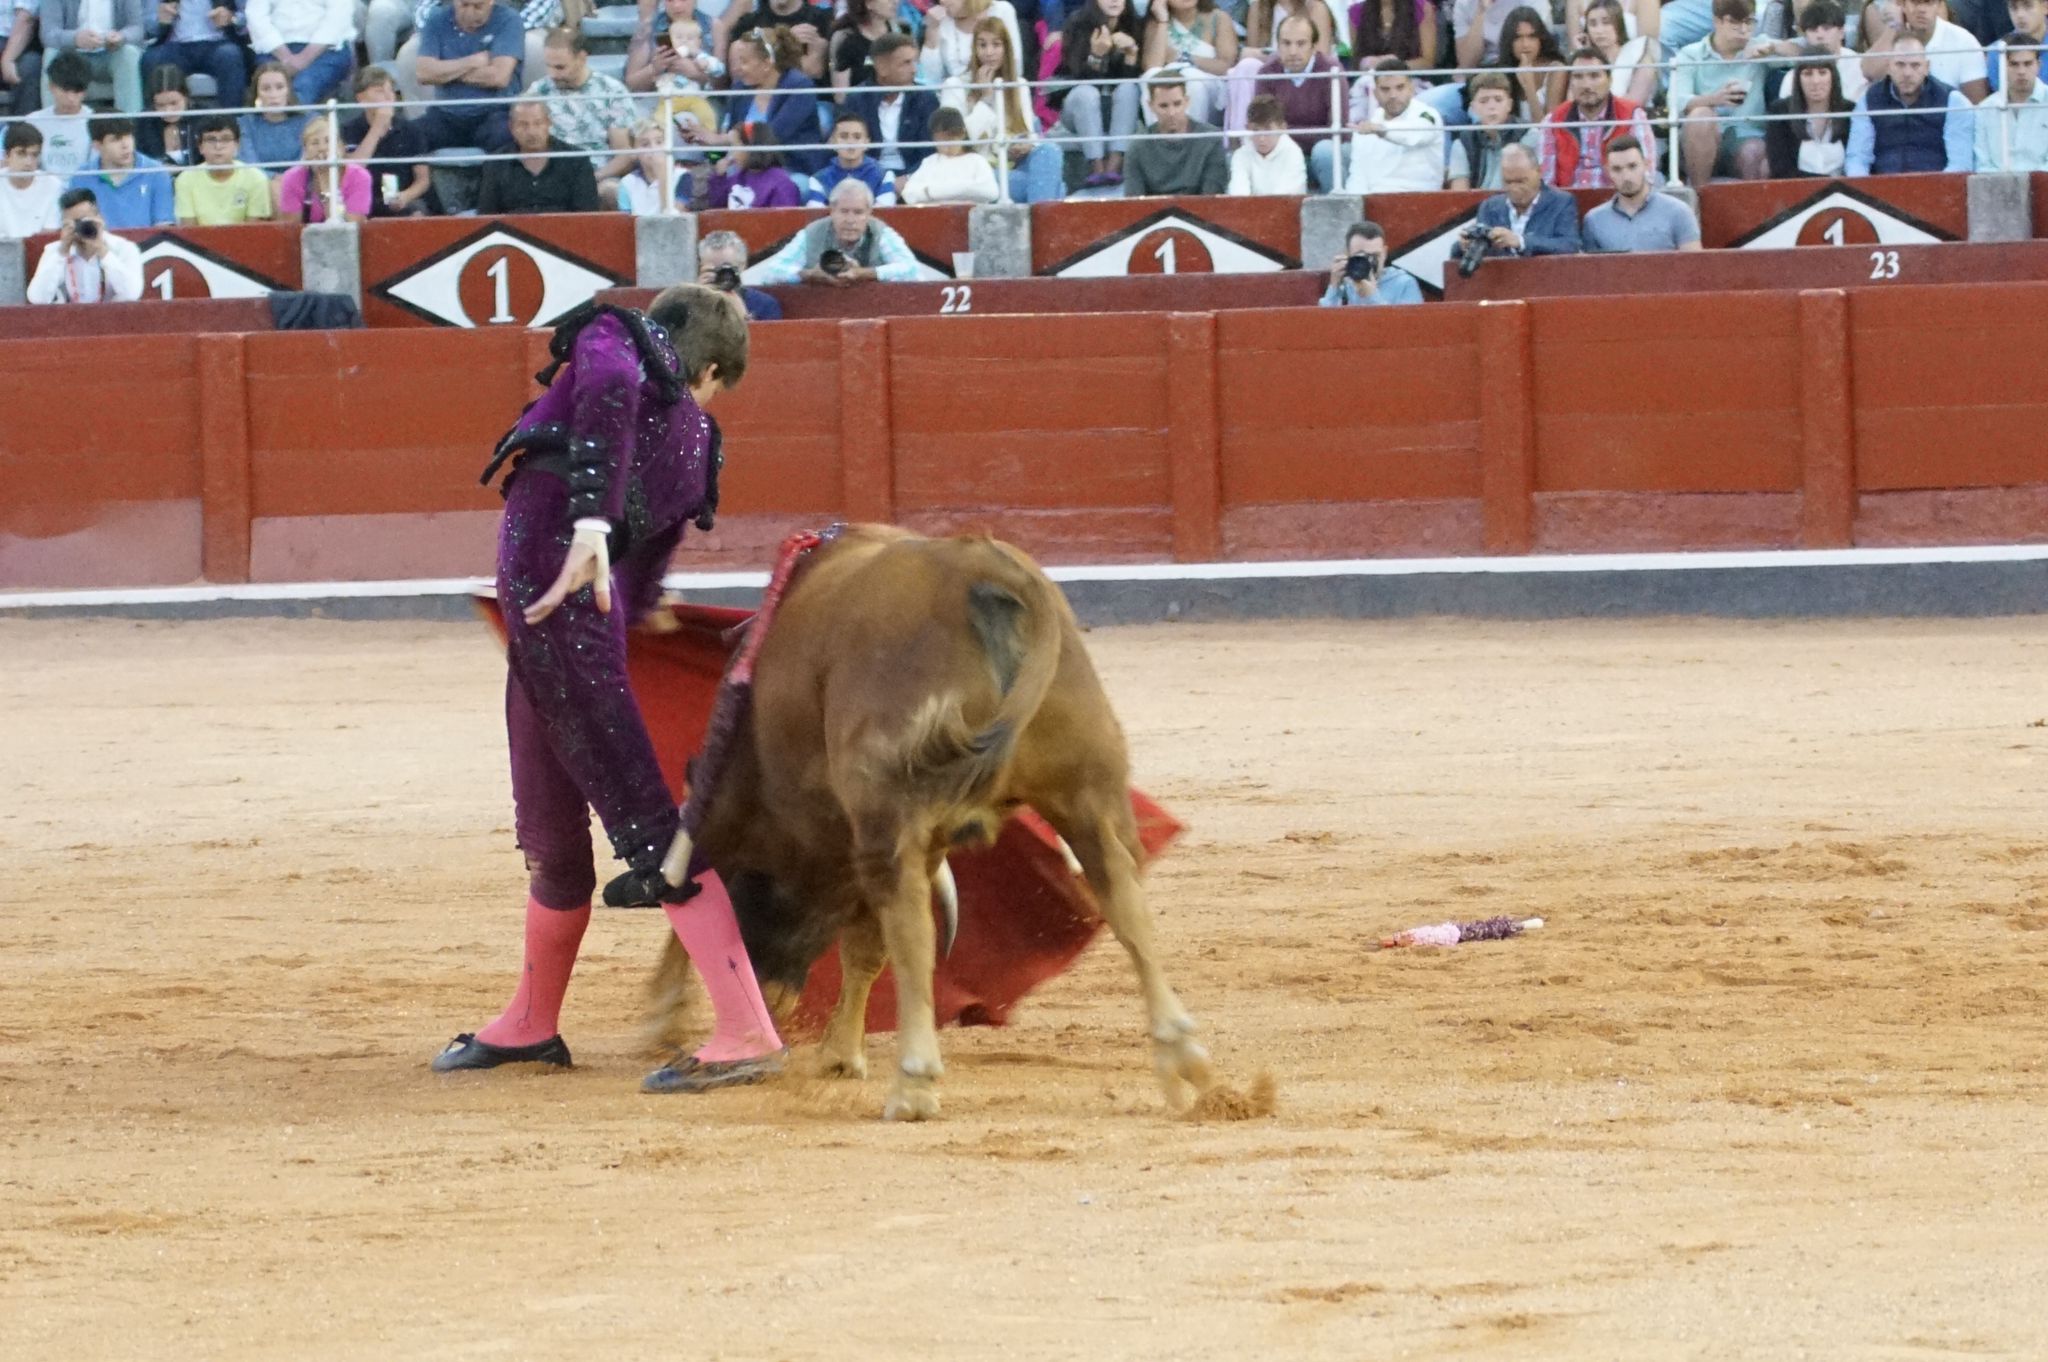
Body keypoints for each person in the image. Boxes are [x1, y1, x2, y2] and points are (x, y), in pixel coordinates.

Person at [440, 283, 790, 1096]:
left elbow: (609, 390)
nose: (697, 408)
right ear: (705, 365)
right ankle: (532, 1021)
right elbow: (643, 580)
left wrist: (590, 523)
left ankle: (745, 1028)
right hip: (548, 634)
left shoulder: (614, 338)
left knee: (644, 820)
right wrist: (620, 584)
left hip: (560, 624)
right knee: (551, 832)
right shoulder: (689, 420)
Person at [944, 15, 1063, 201]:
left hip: (1015, 163)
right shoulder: (956, 86)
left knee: (1049, 150)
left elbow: (1029, 133)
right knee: (1056, 187)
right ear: (974, 49)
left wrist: (1025, 145)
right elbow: (958, 141)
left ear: (1006, 48)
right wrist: (986, 99)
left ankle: (1042, 218)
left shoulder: (1019, 85)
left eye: (996, 45)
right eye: (982, 45)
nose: (989, 52)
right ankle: (1045, 223)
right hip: (977, 169)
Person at [686, 26, 826, 176]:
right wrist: (705, 141)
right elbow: (730, 143)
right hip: (746, 171)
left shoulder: (799, 86)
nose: (738, 68)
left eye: (744, 61)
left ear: (766, 64)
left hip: (791, 169)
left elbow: (774, 136)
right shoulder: (739, 88)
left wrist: (720, 139)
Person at [525, 26, 640, 204]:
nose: (552, 74)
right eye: (548, 66)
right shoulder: (538, 92)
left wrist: (592, 177)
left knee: (611, 192)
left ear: (581, 58)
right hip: (550, 175)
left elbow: (624, 155)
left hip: (598, 175)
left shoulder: (611, 91)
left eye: (560, 67)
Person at [1670, 0, 1772, 187]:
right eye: (1734, 22)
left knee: (1755, 151)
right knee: (1701, 115)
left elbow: (1805, 50)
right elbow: (1675, 101)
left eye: (1749, 22)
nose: (1743, 30)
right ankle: (1699, 199)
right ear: (1717, 21)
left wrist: (1774, 48)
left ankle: (1751, 213)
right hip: (1701, 137)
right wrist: (1714, 99)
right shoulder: (1691, 54)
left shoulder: (1760, 47)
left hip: (1744, 135)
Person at [752, 177, 920, 285]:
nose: (850, 220)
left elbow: (913, 270)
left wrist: (864, 273)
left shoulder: (880, 232)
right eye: (844, 211)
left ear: (869, 213)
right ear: (832, 210)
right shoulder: (813, 232)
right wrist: (811, 275)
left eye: (858, 212)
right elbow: (771, 272)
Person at [1847, 36, 1973, 172]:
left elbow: (1960, 164)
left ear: (1927, 67)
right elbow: (1857, 159)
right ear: (1888, 66)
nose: (1907, 73)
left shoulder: (1952, 101)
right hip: (1880, 187)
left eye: (1915, 65)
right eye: (1900, 65)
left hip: (1938, 186)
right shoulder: (1869, 100)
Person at [1249, 14, 1344, 191]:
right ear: (1277, 45)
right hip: (1281, 154)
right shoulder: (1267, 73)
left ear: (1314, 46)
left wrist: (1286, 134)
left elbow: (1339, 131)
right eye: (1286, 43)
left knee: (1325, 151)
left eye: (1300, 44)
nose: (1293, 51)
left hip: (1318, 154)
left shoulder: (1332, 72)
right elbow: (1262, 126)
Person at [412, 0, 523, 152]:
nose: (470, 13)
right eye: (464, 5)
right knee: (408, 135)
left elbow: (499, 77)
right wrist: (472, 62)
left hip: (494, 113)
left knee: (507, 134)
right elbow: (423, 73)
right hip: (446, 114)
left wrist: (445, 71)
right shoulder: (436, 18)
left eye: (478, 6)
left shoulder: (509, 19)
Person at [1540, 47, 1655, 188]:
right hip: (1568, 204)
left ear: (1610, 80)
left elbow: (1647, 173)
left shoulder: (1632, 115)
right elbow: (1546, 182)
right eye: (1578, 77)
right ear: (1570, 83)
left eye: (1594, 76)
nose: (1586, 85)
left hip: (1620, 201)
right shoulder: (1553, 120)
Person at [1056, 0, 1143, 187]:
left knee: (1129, 88)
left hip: (1115, 109)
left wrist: (1131, 56)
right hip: (1077, 107)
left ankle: (1114, 164)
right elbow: (1077, 78)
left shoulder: (1133, 24)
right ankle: (1096, 166)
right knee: (1086, 93)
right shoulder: (1077, 23)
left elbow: (1128, 82)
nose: (1114, 1)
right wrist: (1096, 56)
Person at [845, 32, 937, 199]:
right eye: (906, 63)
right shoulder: (856, 100)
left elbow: (930, 152)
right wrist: (882, 180)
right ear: (882, 67)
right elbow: (849, 149)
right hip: (869, 177)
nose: (914, 70)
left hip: (914, 177)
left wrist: (909, 177)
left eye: (914, 62)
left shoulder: (925, 98)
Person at [341, 64, 434, 216]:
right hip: (361, 200)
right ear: (361, 98)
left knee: (417, 213)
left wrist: (405, 196)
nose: (388, 96)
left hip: (401, 198)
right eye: (379, 91)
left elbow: (423, 180)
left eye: (391, 90)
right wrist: (377, 129)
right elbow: (352, 170)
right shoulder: (347, 130)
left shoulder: (411, 130)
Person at [477, 98, 602, 212]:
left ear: (549, 123)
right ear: (511, 127)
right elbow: (487, 216)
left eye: (538, 123)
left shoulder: (576, 160)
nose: (532, 132)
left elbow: (587, 214)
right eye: (523, 125)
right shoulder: (495, 163)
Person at [1580, 135, 1701, 251]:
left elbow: (1693, 265)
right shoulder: (1594, 220)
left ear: (1646, 165)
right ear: (1607, 172)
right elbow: (1592, 269)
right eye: (1617, 169)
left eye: (1632, 166)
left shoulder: (1678, 212)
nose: (1626, 176)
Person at [27, 186, 144, 301]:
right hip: (68, 318)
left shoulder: (124, 249)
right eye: (74, 223)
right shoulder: (55, 251)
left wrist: (102, 250)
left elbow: (132, 294)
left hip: (113, 318)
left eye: (84, 220)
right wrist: (62, 252)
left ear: (100, 218)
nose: (80, 227)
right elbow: (37, 298)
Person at [1858, 0, 1988, 103]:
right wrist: (1893, 27)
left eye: (1928, 2)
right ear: (1902, 4)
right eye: (1915, 2)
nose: (1921, 9)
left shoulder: (1964, 41)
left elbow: (1976, 104)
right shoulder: (1894, 34)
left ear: (1938, 5)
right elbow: (1870, 72)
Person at [1343, 61, 1443, 192]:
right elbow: (1358, 178)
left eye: (1400, 87)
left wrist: (1382, 131)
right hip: (1375, 203)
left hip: (1421, 198)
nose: (1393, 95)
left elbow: (1415, 135)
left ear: (1411, 89)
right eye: (1385, 89)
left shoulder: (1427, 115)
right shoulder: (1368, 127)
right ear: (1375, 93)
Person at [1122, 76, 1227, 195]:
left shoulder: (1210, 139)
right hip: (1154, 212)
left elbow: (1213, 197)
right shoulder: (1138, 145)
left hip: (1200, 211)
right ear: (1150, 106)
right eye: (1163, 106)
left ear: (1187, 101)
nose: (1171, 113)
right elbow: (1134, 201)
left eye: (1177, 104)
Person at [1471, 141, 1581, 256]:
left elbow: (1569, 245)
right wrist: (1465, 245)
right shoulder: (1489, 207)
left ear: (1539, 172)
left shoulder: (1561, 202)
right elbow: (1460, 253)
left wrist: (1521, 242)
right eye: (1508, 182)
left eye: (1521, 181)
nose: (1514, 188)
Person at [1140, 0, 1236, 124]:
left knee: (1190, 78)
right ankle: (1159, 137)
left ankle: (1192, 139)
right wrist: (1162, 20)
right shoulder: (1157, 22)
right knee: (1151, 77)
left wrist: (1183, 57)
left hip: (1209, 87)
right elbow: (1151, 67)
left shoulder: (1219, 18)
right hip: (1170, 87)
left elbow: (1226, 66)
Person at [40, 0, 146, 112]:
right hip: (73, 54)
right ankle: (50, 123)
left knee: (128, 53)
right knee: (51, 53)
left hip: (111, 53)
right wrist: (75, 38)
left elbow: (137, 28)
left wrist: (121, 37)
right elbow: (48, 33)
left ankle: (129, 123)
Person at [69, 114, 174, 226]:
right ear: (97, 145)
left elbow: (163, 224)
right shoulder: (81, 177)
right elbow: (75, 225)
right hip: (98, 243)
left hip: (148, 243)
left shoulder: (156, 172)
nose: (126, 145)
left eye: (128, 136)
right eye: (115, 139)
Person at [1765, 44, 1854, 175]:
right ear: (1798, 79)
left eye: (1823, 73)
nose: (1816, 81)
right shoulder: (1779, 112)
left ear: (1833, 77)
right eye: (1808, 74)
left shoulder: (1851, 111)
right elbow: (1780, 169)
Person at [244, 0, 353, 104]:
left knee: (305, 85)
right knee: (272, 88)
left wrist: (303, 59)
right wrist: (286, 57)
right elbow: (256, 16)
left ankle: (294, 120)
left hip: (326, 50)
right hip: (274, 50)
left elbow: (338, 19)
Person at [140, 0, 248, 103]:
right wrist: (159, 20)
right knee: (151, 59)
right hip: (176, 45)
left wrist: (231, 18)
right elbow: (148, 27)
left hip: (217, 43)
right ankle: (152, 119)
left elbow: (247, 16)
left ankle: (231, 120)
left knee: (231, 55)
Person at [172, 113, 274, 221]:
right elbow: (189, 230)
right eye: (211, 140)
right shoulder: (185, 180)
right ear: (200, 147)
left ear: (237, 145)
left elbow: (254, 230)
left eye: (225, 139)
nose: (218, 146)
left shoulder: (256, 178)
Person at [1447, 71, 1539, 189]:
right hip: (1475, 206)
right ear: (1473, 107)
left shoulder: (1528, 134)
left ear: (1509, 105)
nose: (1491, 106)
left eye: (1498, 99)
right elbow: (1459, 192)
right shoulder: (1463, 141)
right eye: (1484, 101)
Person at [272, 115, 369, 220]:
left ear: (340, 146)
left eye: (328, 141)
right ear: (305, 150)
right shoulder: (292, 178)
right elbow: (291, 228)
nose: (322, 148)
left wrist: (327, 187)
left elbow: (353, 223)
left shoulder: (359, 176)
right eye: (315, 143)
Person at [899, 101, 1000, 200]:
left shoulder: (977, 161)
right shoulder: (930, 162)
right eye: (940, 141)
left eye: (950, 139)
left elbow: (991, 192)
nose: (946, 146)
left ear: (962, 134)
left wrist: (934, 191)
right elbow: (909, 193)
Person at [1976, 29, 2048, 168]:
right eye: (2014, 64)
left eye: (2027, 64)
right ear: (2002, 66)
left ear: (2038, 65)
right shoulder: (1985, 108)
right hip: (1995, 187)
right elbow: (1982, 164)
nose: (2021, 71)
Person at [1486, 5, 1568, 122]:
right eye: (1518, 38)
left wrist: (1529, 86)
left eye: (1531, 37)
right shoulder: (1504, 70)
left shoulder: (1556, 69)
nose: (1525, 44)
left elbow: (1548, 130)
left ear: (1540, 38)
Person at [1773, 0, 1867, 102]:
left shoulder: (1862, 67)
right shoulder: (1792, 78)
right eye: (1813, 30)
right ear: (1805, 36)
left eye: (1826, 28)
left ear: (1841, 32)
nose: (1820, 35)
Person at [918, 0, 1024, 89]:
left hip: (1000, 89)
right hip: (956, 96)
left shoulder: (1001, 10)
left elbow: (1016, 67)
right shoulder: (941, 22)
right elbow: (930, 80)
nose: (942, 1)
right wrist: (932, 31)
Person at [1578, 0, 1661, 108]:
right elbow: (1573, 102)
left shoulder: (1640, 55)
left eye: (1606, 22)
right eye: (1593, 24)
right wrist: (1582, 53)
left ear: (1618, 24)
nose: (1599, 30)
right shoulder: (1582, 59)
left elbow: (1635, 103)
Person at [1319, 219, 1421, 306]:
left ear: (1384, 253)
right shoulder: (1345, 284)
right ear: (1347, 253)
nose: (1368, 262)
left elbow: (1406, 327)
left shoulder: (1404, 283)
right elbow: (1323, 324)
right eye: (1361, 256)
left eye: (1375, 256)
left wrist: (1372, 297)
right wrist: (1334, 287)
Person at [717, 0, 831, 78]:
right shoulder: (748, 23)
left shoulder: (821, 19)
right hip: (760, 100)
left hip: (811, 101)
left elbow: (814, 69)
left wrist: (763, 62)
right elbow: (739, 72)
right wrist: (786, 40)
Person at [807, 108, 895, 206]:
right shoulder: (819, 180)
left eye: (857, 137)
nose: (850, 142)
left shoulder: (884, 176)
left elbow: (885, 214)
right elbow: (816, 216)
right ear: (832, 142)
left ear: (867, 143)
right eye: (844, 136)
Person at [29, 51, 96, 177]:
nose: (71, 98)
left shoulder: (96, 122)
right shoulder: (33, 122)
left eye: (77, 91)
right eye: (65, 90)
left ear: (85, 90)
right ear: (51, 86)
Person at [237, 61, 308, 174]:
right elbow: (249, 165)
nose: (273, 95)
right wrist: (272, 179)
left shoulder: (309, 121)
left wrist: (288, 182)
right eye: (266, 89)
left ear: (289, 91)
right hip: (258, 185)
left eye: (279, 87)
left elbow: (307, 163)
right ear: (257, 94)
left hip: (299, 185)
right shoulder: (244, 124)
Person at [1229, 92, 1307, 193]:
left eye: (1268, 129)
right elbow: (1238, 195)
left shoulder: (1293, 153)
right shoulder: (1240, 155)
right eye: (1256, 130)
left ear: (1282, 128)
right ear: (1248, 128)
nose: (1261, 138)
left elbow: (1287, 197)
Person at [697, 227, 781, 320]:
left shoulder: (763, 305)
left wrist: (743, 316)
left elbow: (767, 334)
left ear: (742, 266)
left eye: (725, 269)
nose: (719, 275)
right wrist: (698, 298)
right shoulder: (686, 302)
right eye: (712, 269)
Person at [0, 120, 63, 236]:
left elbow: (50, 233)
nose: (29, 162)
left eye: (34, 155)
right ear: (6, 156)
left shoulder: (52, 184)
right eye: (21, 154)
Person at [616, 118, 685, 212]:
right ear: (633, 151)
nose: (654, 148)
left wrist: (662, 176)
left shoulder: (682, 177)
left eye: (659, 142)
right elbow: (626, 222)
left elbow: (674, 219)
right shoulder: (627, 183)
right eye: (645, 144)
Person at [828, 0, 897, 94]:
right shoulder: (845, 39)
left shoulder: (899, 31)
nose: (894, 1)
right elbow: (841, 96)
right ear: (869, 4)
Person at [1348, 0, 1435, 69]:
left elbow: (1427, 62)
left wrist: (1395, 65)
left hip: (1411, 80)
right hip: (1370, 81)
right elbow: (1356, 60)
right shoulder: (1356, 12)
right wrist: (1366, 64)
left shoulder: (1421, 8)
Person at [1985, 0, 2046, 95]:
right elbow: (2003, 99)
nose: (2020, 15)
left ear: (2045, 7)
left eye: (2028, 5)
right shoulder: (1996, 53)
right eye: (2013, 7)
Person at [136, 64, 193, 163]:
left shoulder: (205, 118)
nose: (168, 111)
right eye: (160, 105)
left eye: (174, 103)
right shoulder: (143, 122)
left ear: (186, 97)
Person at [1247, 0, 1339, 53]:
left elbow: (1321, 56)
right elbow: (1251, 54)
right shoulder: (1258, 8)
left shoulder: (1316, 7)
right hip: (1270, 76)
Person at [1, 0, 41, 118]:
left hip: (14, 44)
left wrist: (7, 59)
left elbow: (26, 20)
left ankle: (21, 131)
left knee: (30, 66)